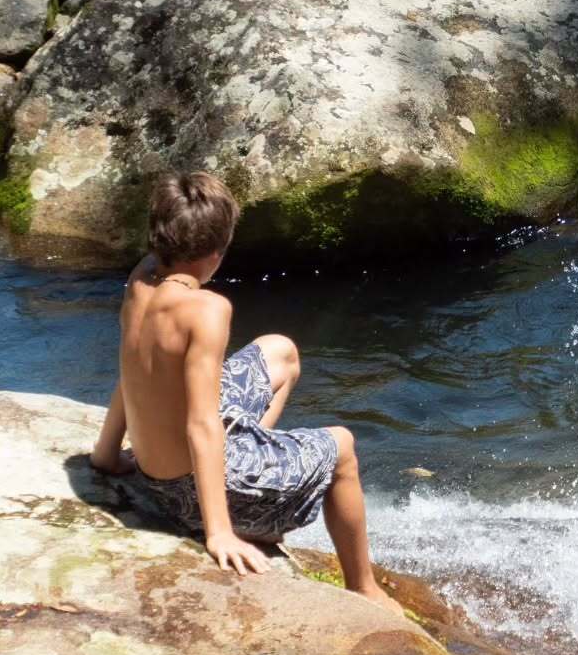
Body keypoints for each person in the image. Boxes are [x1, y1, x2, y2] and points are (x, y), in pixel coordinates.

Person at [89, 171, 396, 608]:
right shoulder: (208, 309)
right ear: (218, 251)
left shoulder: (140, 282)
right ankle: (363, 588)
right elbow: (202, 424)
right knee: (342, 446)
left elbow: (132, 368)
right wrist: (218, 532)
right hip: (187, 496)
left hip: (156, 474)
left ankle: (256, 462)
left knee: (280, 351)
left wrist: (105, 456)